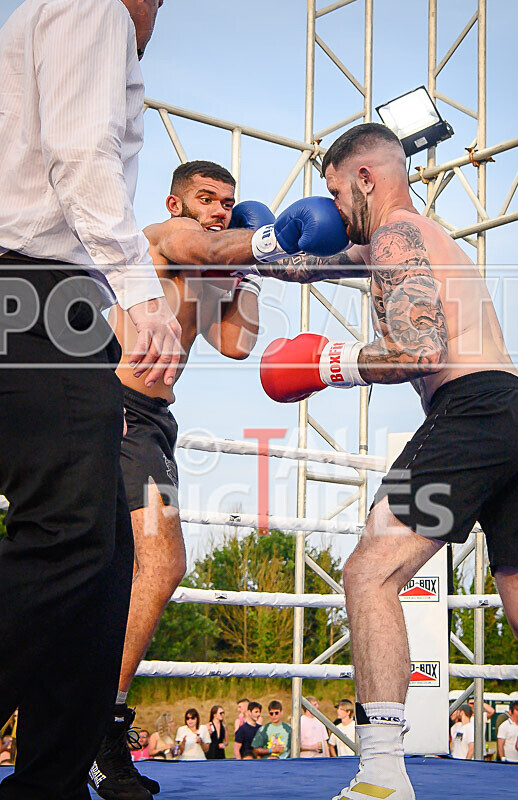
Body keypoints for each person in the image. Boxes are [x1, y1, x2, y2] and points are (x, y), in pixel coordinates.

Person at [258, 121, 518, 800]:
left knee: (369, 571)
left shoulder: (393, 236)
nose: (328, 211)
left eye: (332, 192)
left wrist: (329, 363)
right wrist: (260, 243)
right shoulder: (402, 240)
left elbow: (420, 353)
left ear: (364, 178)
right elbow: (300, 265)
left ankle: (382, 777)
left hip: (476, 408)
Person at [91, 160, 349, 797]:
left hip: (150, 421)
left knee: (100, 574)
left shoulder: (210, 270)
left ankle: (80, 718)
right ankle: (100, 727)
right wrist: (269, 239)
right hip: (114, 413)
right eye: (206, 199)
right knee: (161, 562)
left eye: (228, 203)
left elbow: (237, 343)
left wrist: (250, 270)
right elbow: (202, 244)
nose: (218, 211)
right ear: (177, 203)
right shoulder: (163, 237)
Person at [0, 1, 183, 798]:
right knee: (70, 538)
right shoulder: (93, 5)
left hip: (41, 292)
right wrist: (138, 293)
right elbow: (82, 151)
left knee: (104, 555)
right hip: (40, 287)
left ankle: (51, 779)